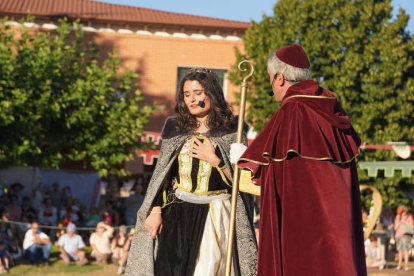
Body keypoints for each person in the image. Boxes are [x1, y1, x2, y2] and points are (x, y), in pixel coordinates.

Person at [236, 44, 366, 275]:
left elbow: (271, 185)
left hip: (303, 238)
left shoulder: (291, 113)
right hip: (340, 237)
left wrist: (238, 161)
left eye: (270, 79)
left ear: (280, 78)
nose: (271, 85)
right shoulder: (333, 113)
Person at [126, 68, 257, 276]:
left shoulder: (233, 130)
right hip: (177, 214)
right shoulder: (176, 129)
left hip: (216, 213)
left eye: (198, 93)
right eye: (187, 94)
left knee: (207, 268)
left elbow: (245, 181)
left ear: (211, 94)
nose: (192, 99)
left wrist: (216, 161)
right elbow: (162, 176)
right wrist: (156, 210)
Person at [394, 206, 413, 271]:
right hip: (399, 235)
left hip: (406, 236)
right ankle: (399, 265)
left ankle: (406, 265)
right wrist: (399, 220)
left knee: (406, 251)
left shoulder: (409, 217)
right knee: (400, 251)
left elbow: (412, 226)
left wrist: (405, 222)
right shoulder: (398, 218)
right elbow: (395, 228)